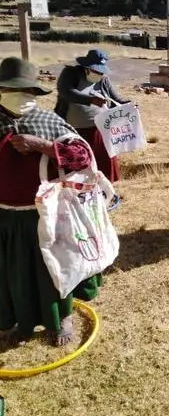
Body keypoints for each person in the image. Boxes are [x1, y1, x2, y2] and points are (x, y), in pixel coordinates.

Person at [0, 57, 103, 347]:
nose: (17, 95)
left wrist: (43, 145)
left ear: (34, 92)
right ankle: (21, 322)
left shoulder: (48, 121)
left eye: (24, 90)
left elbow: (83, 158)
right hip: (5, 217)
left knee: (55, 270)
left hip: (45, 214)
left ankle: (61, 319)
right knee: (14, 275)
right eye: (9, 88)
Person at [55, 49, 131, 208]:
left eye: (101, 71)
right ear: (86, 67)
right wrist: (90, 100)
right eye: (95, 70)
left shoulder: (103, 80)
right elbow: (66, 92)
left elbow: (116, 100)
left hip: (99, 129)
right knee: (79, 164)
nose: (98, 74)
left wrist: (129, 105)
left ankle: (105, 193)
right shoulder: (70, 74)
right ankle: (79, 196)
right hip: (74, 131)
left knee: (103, 161)